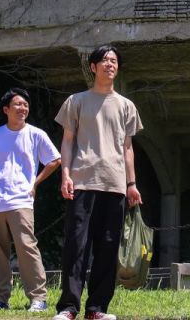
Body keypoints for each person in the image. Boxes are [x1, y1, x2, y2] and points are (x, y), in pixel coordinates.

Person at [52, 46, 143, 320]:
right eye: (104, 60)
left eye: (114, 60)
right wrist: (65, 174)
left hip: (114, 184)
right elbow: (67, 141)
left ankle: (97, 309)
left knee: (108, 247)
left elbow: (128, 148)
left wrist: (132, 183)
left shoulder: (127, 105)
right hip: (81, 181)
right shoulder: (76, 100)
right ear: (92, 67)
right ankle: (68, 307)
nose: (109, 64)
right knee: (76, 245)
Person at [0, 87, 61, 312]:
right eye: (18, 104)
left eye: (25, 105)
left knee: (27, 248)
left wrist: (35, 183)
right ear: (6, 109)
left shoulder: (36, 134)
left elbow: (54, 160)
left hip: (21, 200)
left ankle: (38, 298)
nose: (23, 108)